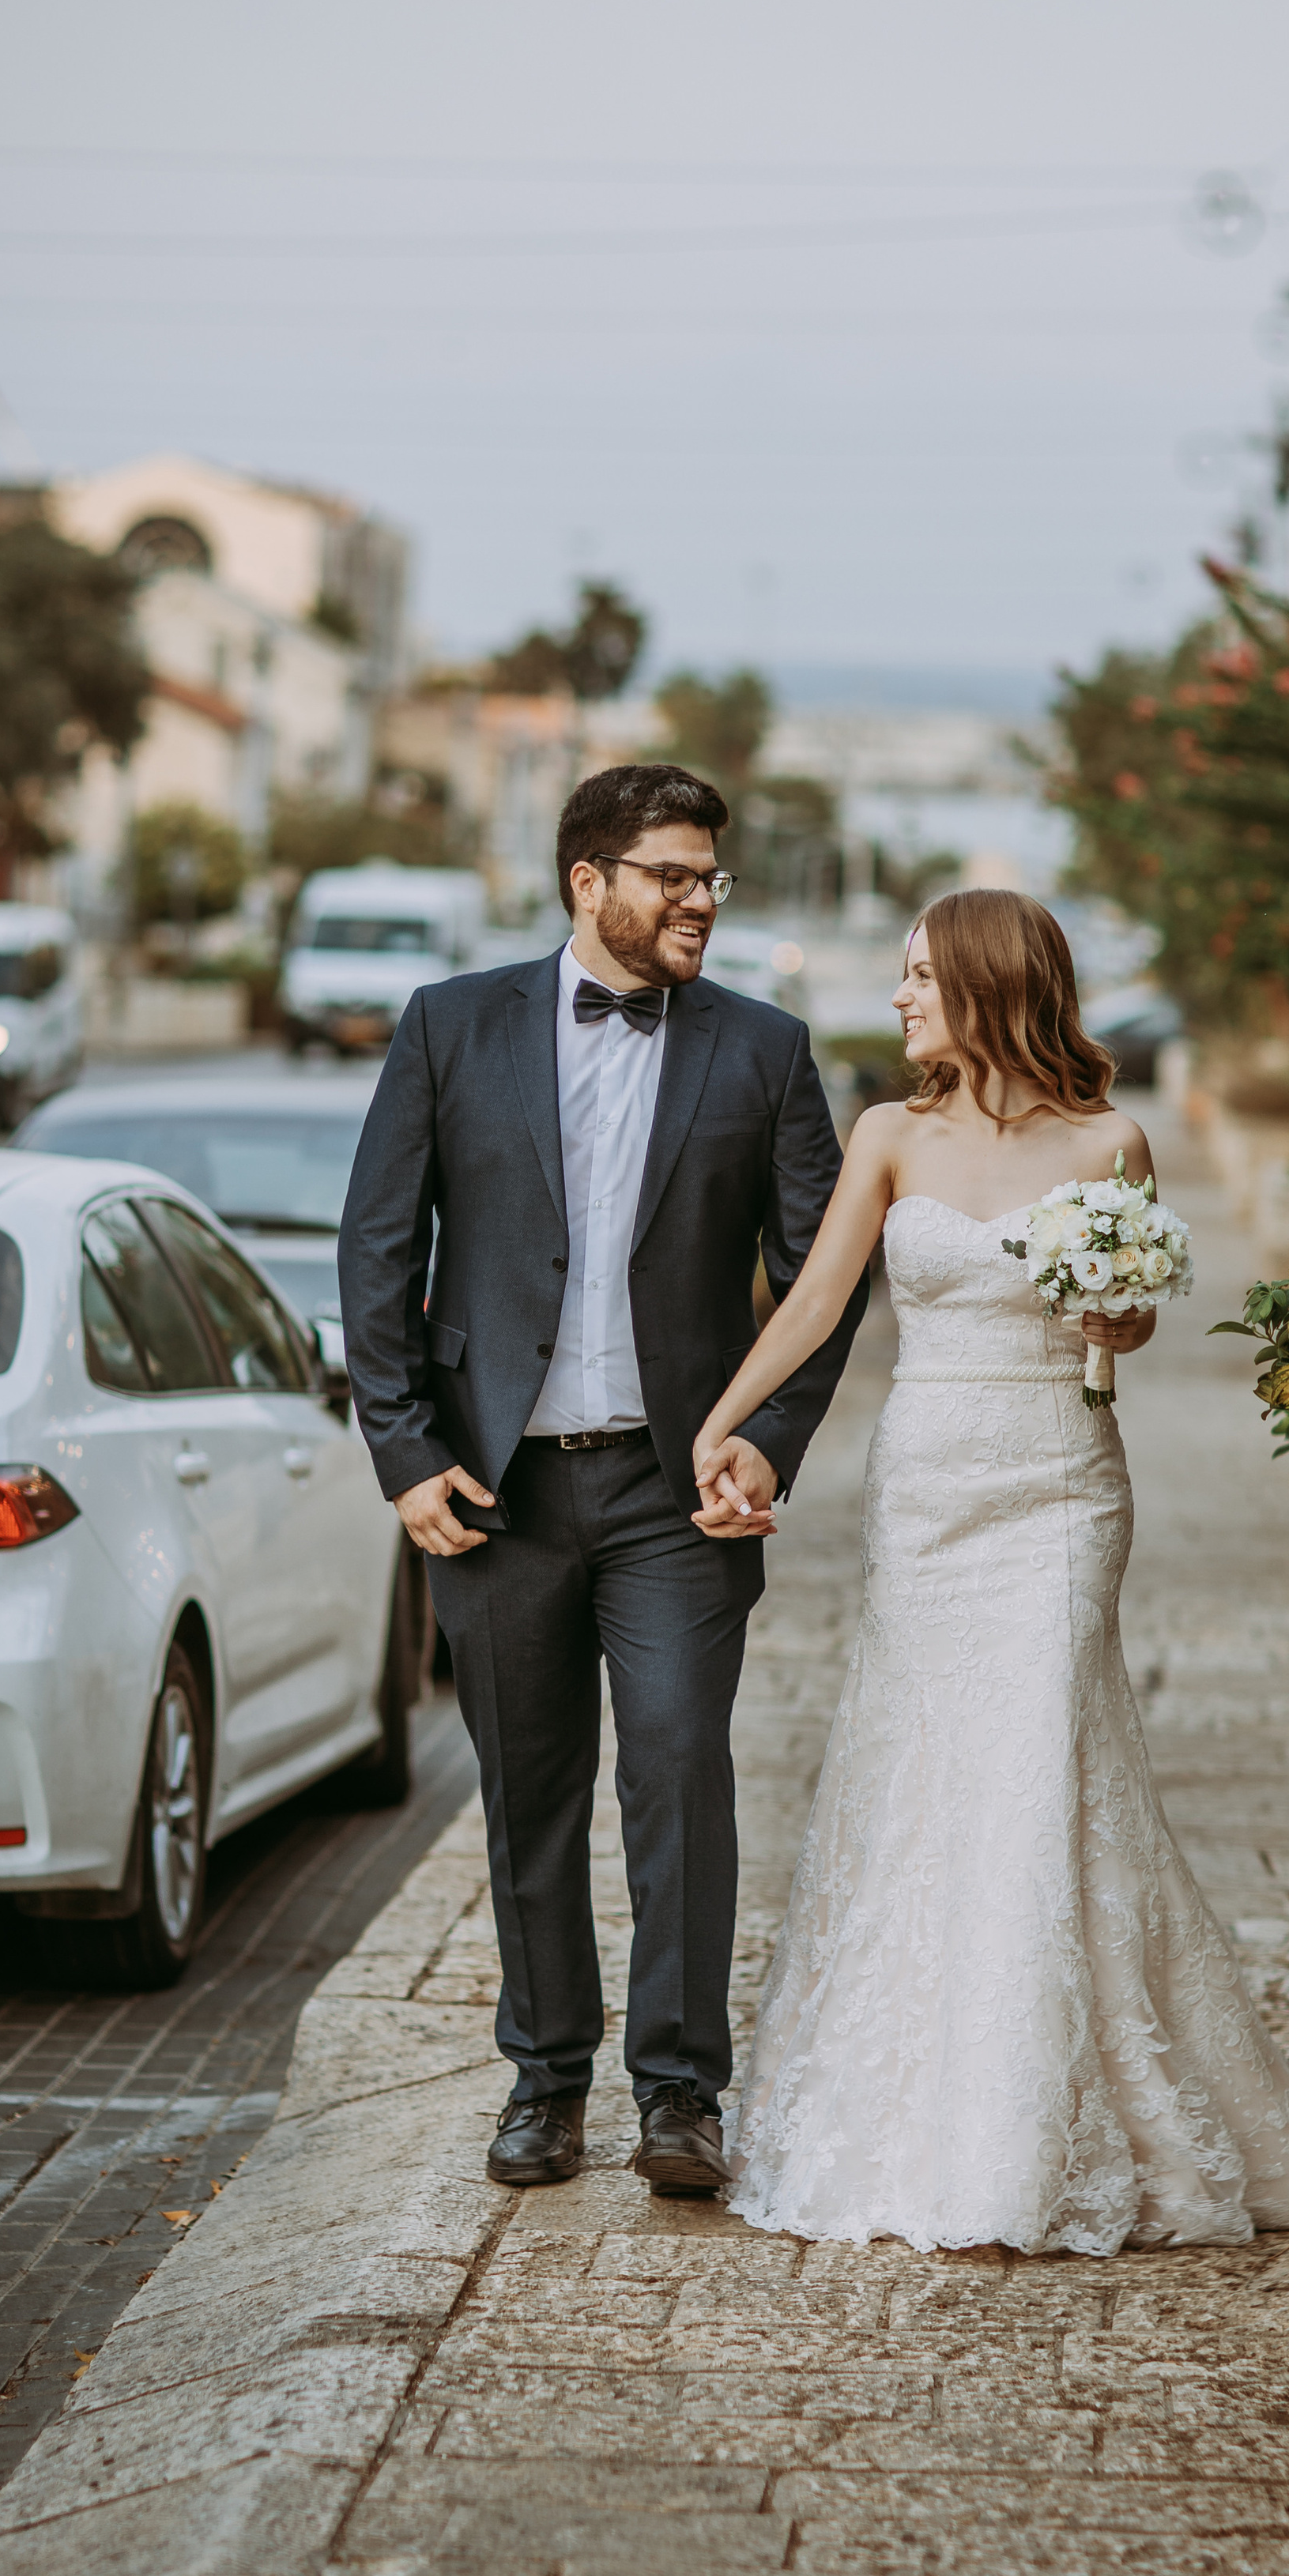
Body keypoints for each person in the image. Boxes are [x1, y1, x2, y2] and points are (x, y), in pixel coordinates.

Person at [694, 889, 1289, 2254]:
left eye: (922, 976)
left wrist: (1118, 1313)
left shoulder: (1113, 1140)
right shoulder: (887, 1134)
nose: (900, 998)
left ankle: (1027, 2128)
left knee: (1039, 1757)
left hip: (1060, 1490)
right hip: (929, 1490)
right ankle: (918, 2106)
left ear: (992, 987)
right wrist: (725, 1420)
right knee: (925, 1763)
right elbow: (820, 1301)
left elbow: (1127, 1328)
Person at [338, 763, 866, 2201]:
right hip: (492, 1488)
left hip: (674, 1490)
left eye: (713, 880)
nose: (702, 901)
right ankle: (546, 2078)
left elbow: (826, 1274)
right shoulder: (452, 1026)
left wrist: (774, 1436)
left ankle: (682, 2091)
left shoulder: (763, 1051)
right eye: (674, 877)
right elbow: (377, 1251)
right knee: (530, 1790)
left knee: (682, 1767)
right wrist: (403, 1453)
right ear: (590, 881)